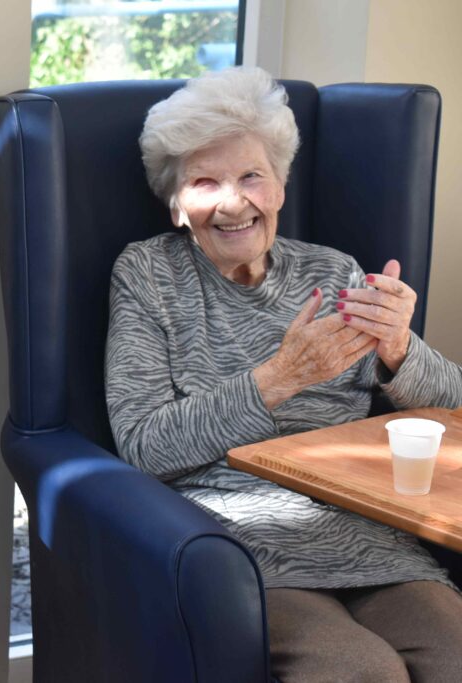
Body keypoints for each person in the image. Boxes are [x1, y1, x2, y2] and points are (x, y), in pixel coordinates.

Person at [106, 66, 462, 682]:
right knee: (361, 671)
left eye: (252, 176)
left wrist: (401, 350)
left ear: (280, 187)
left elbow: (453, 403)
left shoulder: (335, 271)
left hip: (370, 531)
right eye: (204, 181)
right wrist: (277, 379)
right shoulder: (148, 277)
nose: (234, 201)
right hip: (237, 541)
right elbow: (142, 444)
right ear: (175, 205)